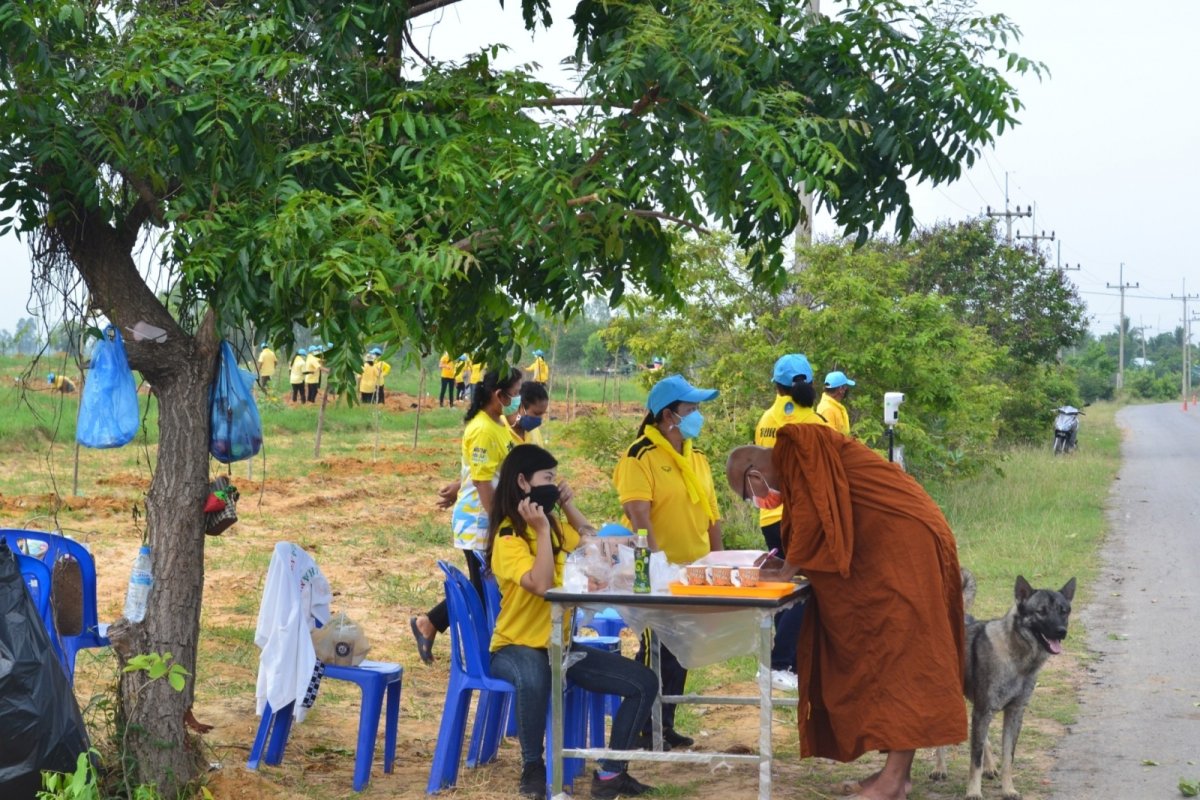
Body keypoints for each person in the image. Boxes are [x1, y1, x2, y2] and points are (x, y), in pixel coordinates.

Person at [725, 428, 967, 800]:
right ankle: (896, 776)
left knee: (904, 656)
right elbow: (825, 511)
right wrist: (790, 565)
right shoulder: (793, 464)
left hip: (905, 541)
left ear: (753, 472)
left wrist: (788, 570)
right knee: (891, 655)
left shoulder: (798, 444)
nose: (760, 501)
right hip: (889, 541)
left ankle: (892, 783)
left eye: (750, 494)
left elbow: (811, 510)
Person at [488, 444, 658, 799]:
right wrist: (542, 532)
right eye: (547, 478)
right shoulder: (509, 536)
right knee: (535, 677)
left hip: (559, 647)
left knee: (643, 682)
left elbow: (592, 541)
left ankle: (612, 774)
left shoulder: (551, 524)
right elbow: (540, 584)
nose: (554, 484)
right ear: (522, 482)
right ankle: (533, 768)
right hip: (516, 645)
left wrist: (566, 505)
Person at [613, 373, 723, 750]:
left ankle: (665, 723)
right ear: (667, 415)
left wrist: (719, 561)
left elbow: (711, 516)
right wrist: (658, 566)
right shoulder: (639, 455)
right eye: (690, 409)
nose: (697, 416)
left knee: (682, 650)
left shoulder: (699, 458)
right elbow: (639, 515)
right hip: (656, 570)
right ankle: (643, 727)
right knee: (656, 650)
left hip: (694, 571)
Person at [410, 367, 524, 663]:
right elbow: (484, 482)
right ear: (498, 395)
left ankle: (430, 624)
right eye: (514, 394)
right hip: (480, 523)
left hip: (491, 517)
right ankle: (449, 633)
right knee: (483, 589)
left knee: (482, 588)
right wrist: (500, 526)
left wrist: (460, 485)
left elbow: (489, 472)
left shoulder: (498, 425)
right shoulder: (483, 429)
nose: (517, 399)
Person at [752, 353, 829, 692]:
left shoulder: (767, 419)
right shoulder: (815, 422)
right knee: (803, 588)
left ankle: (788, 665)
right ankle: (781, 662)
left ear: (776, 385)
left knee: (784, 588)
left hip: (770, 515)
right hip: (801, 518)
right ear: (810, 384)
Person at [508, 381, 549, 447]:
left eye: (542, 414)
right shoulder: (499, 431)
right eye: (536, 413)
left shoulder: (534, 432)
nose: (540, 418)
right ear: (520, 406)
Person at [817, 370, 856, 437]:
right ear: (841, 389)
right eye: (845, 386)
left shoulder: (835, 406)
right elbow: (831, 439)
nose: (846, 389)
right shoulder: (827, 409)